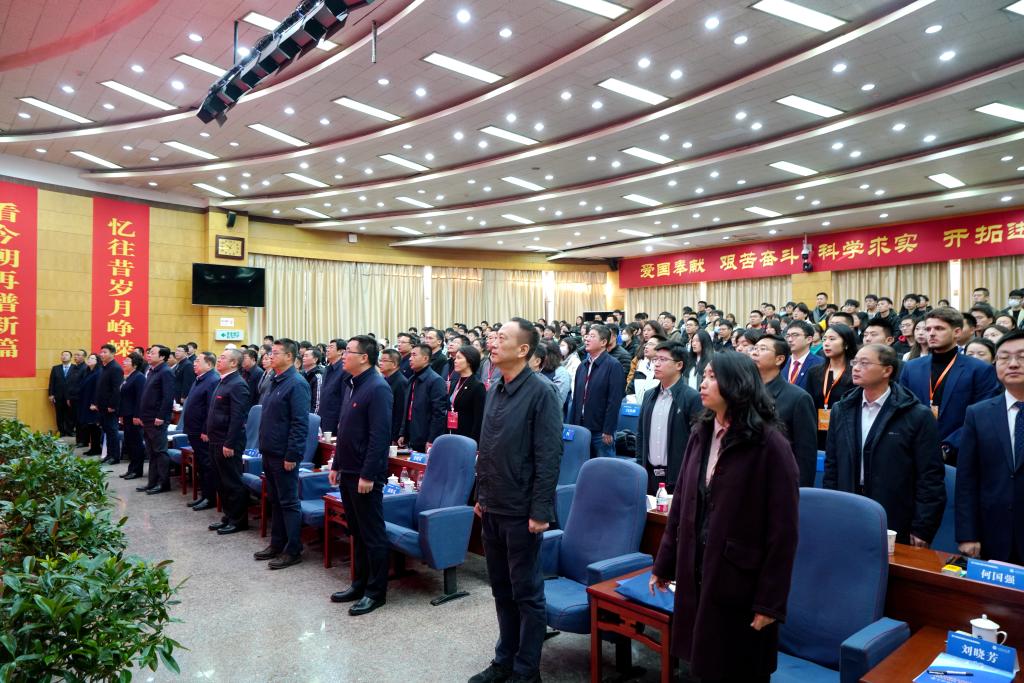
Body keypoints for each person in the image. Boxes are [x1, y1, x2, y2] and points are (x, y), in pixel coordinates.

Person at [649, 352, 800, 683]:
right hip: (697, 569)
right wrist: (664, 563)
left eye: (713, 377)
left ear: (737, 384)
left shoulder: (769, 443)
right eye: (704, 375)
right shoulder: (701, 432)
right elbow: (682, 504)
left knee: (738, 667)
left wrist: (770, 602)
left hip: (740, 580)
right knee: (703, 663)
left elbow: (783, 532)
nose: (703, 383)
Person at [470, 319, 562, 683]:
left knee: (527, 593)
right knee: (501, 589)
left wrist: (540, 510)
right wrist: (480, 495)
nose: (493, 343)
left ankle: (527, 671)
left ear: (523, 349)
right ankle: (504, 660)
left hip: (522, 510)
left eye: (502, 338)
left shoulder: (542, 392)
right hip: (493, 503)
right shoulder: (495, 387)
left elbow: (549, 456)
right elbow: (487, 447)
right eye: (493, 337)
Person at [823, 344, 946, 546]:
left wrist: (923, 528)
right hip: (848, 508)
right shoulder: (842, 408)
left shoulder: (916, 414)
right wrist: (831, 510)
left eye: (864, 363)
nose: (856, 368)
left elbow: (930, 477)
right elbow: (832, 466)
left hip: (895, 514)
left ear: (887, 370)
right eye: (855, 362)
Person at [327, 336, 394, 616]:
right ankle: (359, 583)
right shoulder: (351, 384)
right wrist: (336, 464)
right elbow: (344, 430)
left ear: (364, 357)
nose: (344, 356)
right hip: (348, 470)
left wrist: (368, 474)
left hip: (365, 475)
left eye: (349, 352)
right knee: (356, 530)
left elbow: (379, 436)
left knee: (372, 533)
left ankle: (376, 592)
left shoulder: (378, 388)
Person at [899, 307, 1001, 465]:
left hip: (960, 454)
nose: (931, 333)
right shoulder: (911, 367)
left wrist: (948, 447)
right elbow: (902, 408)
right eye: (928, 329)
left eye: (939, 328)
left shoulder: (979, 369)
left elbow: (984, 415)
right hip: (914, 450)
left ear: (957, 332)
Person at [956, 329, 1024, 563]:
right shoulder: (978, 413)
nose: (1012, 364)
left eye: (1021, 357)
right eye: (1004, 357)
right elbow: (967, 478)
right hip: (993, 534)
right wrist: (967, 534)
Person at [254, 338, 311, 570]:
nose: (270, 356)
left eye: (276, 353)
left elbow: (300, 423)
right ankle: (277, 543)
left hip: (284, 454)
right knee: (275, 500)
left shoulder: (296, 383)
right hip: (269, 450)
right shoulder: (275, 380)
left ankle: (293, 549)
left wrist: (292, 455)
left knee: (288, 502)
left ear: (289, 356)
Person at [750, 334, 818, 487]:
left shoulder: (798, 398)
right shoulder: (743, 392)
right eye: (754, 348)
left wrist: (800, 490)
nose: (754, 352)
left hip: (778, 482)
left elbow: (805, 455)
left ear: (779, 359)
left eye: (762, 349)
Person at [636, 341, 702, 495]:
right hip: (649, 475)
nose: (657, 364)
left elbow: (697, 443)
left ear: (679, 365)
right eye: (655, 359)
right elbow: (640, 435)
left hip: (678, 477)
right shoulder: (649, 395)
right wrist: (640, 466)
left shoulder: (692, 398)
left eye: (663, 360)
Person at [571, 324, 626, 459]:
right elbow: (576, 399)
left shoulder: (613, 365)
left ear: (603, 342)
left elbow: (614, 401)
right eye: (587, 336)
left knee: (604, 468)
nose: (587, 339)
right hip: (581, 426)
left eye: (592, 336)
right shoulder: (582, 365)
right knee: (582, 465)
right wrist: (573, 426)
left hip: (601, 431)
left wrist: (608, 430)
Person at [805, 324, 858, 451]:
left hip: (846, 435)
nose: (826, 343)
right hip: (818, 434)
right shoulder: (815, 372)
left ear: (846, 344)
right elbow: (809, 406)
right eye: (824, 339)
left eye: (832, 339)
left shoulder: (856, 373)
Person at [182, 352, 220, 511]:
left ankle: (210, 498)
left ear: (209, 364)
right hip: (194, 429)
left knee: (207, 465)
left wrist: (206, 430)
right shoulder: (199, 379)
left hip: (202, 431)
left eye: (198, 361)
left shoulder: (212, 380)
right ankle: (204, 495)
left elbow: (211, 408)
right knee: (201, 465)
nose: (194, 363)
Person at [136, 345, 175, 494]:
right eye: (149, 353)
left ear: (162, 357)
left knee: (160, 451)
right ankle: (152, 482)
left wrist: (161, 416)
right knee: (151, 452)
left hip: (157, 419)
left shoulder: (166, 372)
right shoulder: (151, 370)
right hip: (147, 418)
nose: (149, 355)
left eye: (153, 353)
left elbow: (168, 397)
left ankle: (163, 483)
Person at [399, 344, 448, 452]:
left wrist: (432, 439)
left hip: (425, 437)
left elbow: (439, 414)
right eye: (410, 355)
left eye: (414, 355)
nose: (410, 358)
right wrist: (402, 433)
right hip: (410, 434)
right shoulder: (412, 379)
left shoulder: (436, 380)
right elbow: (407, 408)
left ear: (425, 358)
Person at [447, 345, 487, 443]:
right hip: (451, 432)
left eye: (459, 358)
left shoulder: (477, 386)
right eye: (455, 358)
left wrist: (474, 442)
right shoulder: (455, 383)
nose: (455, 361)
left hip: (466, 437)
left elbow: (479, 419)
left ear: (470, 361)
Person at [93, 344, 124, 465]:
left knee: (112, 432)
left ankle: (115, 457)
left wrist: (112, 406)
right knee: (107, 431)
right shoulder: (104, 367)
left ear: (113, 353)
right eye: (101, 352)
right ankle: (109, 455)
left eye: (105, 352)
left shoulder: (115, 368)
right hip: (102, 406)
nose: (102, 354)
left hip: (110, 407)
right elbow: (100, 388)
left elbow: (117, 390)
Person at [118, 353, 147, 480]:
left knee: (136, 443)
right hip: (127, 414)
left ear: (134, 364)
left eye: (127, 361)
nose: (124, 362)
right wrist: (121, 414)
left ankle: (137, 470)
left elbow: (140, 398)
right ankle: (131, 468)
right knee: (129, 443)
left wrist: (137, 415)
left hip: (134, 416)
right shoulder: (130, 376)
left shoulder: (139, 377)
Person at [317, 339, 350, 442]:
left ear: (341, 351)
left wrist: (342, 420)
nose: (327, 349)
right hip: (323, 417)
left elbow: (345, 398)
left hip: (335, 419)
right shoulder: (328, 368)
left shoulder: (344, 370)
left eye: (331, 347)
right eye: (327, 347)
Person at [781, 320, 823, 390]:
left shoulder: (820, 364)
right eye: (788, 336)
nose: (790, 340)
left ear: (809, 339)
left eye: (795, 335)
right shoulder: (781, 362)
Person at [378, 348, 409, 443]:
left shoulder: (401, 382)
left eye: (384, 361)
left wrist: (395, 436)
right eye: (380, 360)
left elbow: (400, 412)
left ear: (394, 364)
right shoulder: (384, 380)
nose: (380, 363)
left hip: (392, 434)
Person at [77, 354, 102, 455]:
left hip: (93, 404)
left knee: (94, 426)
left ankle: (96, 448)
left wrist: (94, 403)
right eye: (89, 358)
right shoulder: (88, 371)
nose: (89, 360)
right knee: (90, 426)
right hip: (85, 402)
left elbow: (98, 389)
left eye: (92, 358)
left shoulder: (99, 372)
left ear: (97, 361)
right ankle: (93, 448)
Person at [48, 350, 75, 436]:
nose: (64, 356)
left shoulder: (75, 368)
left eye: (66, 355)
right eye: (62, 355)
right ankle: (61, 431)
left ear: (70, 357)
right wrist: (51, 394)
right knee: (59, 414)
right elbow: (52, 382)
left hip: (70, 396)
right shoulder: (55, 368)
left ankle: (70, 431)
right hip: (58, 396)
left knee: (70, 414)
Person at [301, 347, 325, 413]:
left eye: (306, 356)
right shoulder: (302, 374)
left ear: (315, 359)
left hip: (310, 413)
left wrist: (313, 416)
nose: (303, 358)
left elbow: (317, 402)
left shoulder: (318, 376)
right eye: (303, 356)